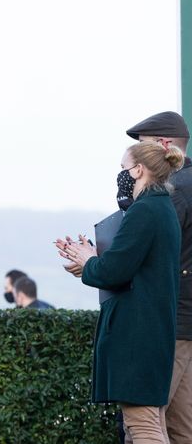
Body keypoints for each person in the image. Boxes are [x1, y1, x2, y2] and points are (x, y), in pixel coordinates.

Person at [58, 140, 184, 443]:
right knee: (146, 422)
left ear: (138, 170)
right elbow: (125, 266)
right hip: (151, 331)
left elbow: (114, 271)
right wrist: (90, 260)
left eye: (124, 168)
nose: (122, 175)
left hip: (137, 336)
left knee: (142, 425)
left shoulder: (144, 211)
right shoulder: (161, 209)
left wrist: (89, 261)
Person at [127, 111, 192, 442]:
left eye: (143, 147)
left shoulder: (171, 191)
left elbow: (152, 251)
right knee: (183, 427)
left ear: (164, 145)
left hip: (170, 320)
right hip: (186, 320)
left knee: (144, 418)